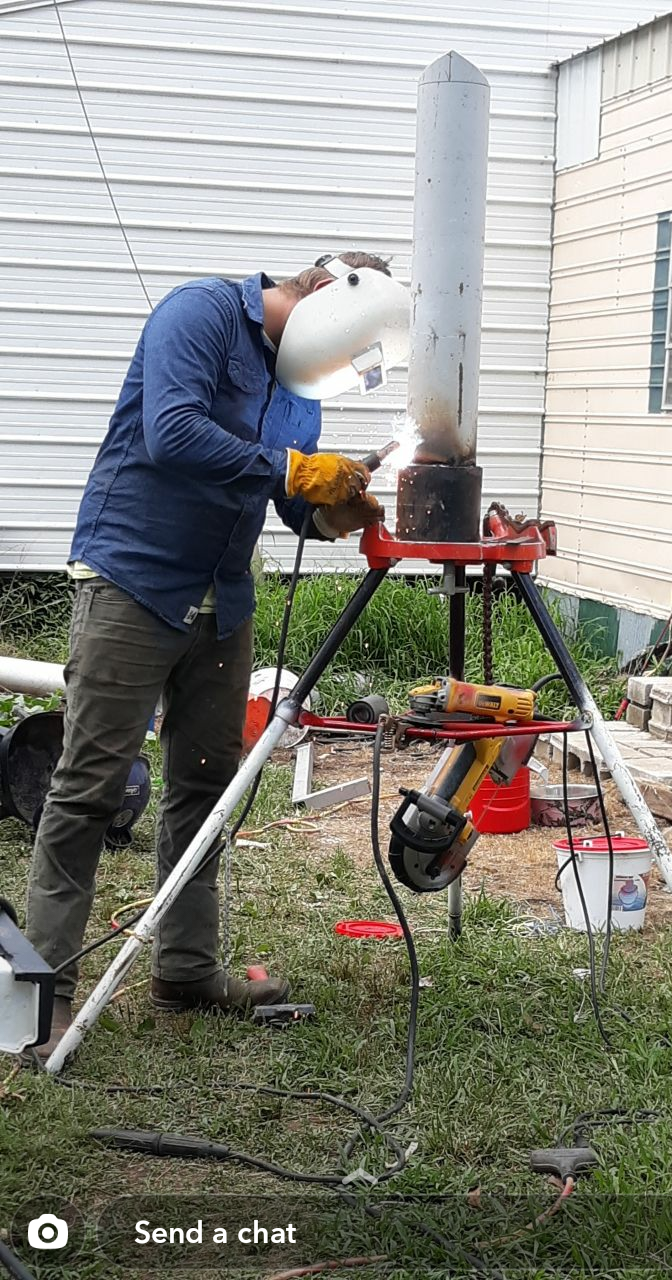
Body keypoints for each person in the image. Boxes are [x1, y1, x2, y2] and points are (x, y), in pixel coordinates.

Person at [25, 252, 410, 1058]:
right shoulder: (197, 314)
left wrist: (334, 505)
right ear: (316, 296)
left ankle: (186, 972)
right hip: (132, 580)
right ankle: (39, 994)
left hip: (220, 598)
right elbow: (172, 434)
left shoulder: (302, 386)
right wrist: (294, 469)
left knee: (204, 789)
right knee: (90, 788)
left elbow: (284, 494)